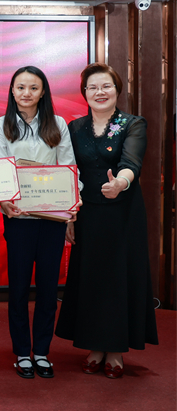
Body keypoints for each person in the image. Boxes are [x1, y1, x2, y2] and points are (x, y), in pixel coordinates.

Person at [55, 63, 158, 378]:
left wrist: (120, 183)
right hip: (88, 214)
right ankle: (94, 347)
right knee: (91, 279)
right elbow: (68, 172)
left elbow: (131, 162)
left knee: (118, 279)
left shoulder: (132, 123)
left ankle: (115, 350)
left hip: (122, 213)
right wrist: (69, 215)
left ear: (117, 90)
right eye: (93, 87)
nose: (100, 92)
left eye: (106, 86)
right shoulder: (74, 128)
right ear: (85, 93)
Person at [0, 66, 78, 379]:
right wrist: (3, 201)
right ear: (12, 91)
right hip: (19, 217)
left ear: (43, 92)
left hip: (52, 217)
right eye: (20, 87)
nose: (26, 93)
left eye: (33, 88)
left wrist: (72, 201)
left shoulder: (58, 124)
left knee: (48, 288)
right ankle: (21, 352)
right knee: (18, 287)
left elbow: (69, 166)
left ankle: (41, 351)